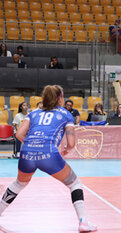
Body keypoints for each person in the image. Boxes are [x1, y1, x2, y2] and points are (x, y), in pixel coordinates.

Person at [0, 85, 97, 232]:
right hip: (49, 154)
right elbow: (71, 144)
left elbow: (19, 134)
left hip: (27, 153)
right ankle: (83, 222)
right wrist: (65, 151)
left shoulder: (33, 113)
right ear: (60, 98)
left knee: (19, 183)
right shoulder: (66, 114)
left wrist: (32, 144)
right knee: (74, 183)